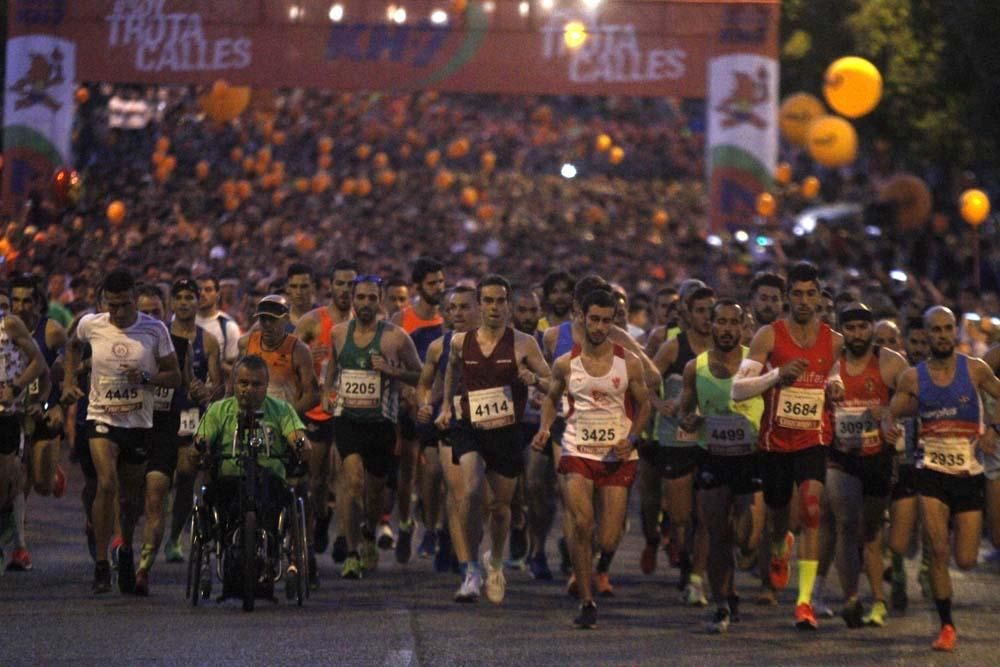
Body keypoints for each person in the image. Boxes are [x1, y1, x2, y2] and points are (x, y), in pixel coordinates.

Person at [732, 261, 845, 630]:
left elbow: (835, 378)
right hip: (775, 442)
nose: (803, 300)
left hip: (813, 438)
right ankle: (780, 546)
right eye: (796, 294)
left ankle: (804, 601)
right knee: (779, 517)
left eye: (810, 293)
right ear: (787, 297)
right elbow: (738, 389)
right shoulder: (769, 335)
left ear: (819, 297)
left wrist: (835, 386)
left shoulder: (834, 340)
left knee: (812, 507)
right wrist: (777, 375)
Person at [534, 288, 650, 628]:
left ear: (613, 321)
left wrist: (631, 439)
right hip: (576, 449)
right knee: (582, 523)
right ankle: (586, 599)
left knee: (609, 537)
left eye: (606, 320)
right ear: (581, 318)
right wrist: (544, 428)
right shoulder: (565, 363)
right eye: (594, 319)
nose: (599, 327)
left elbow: (644, 404)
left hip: (616, 454)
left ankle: (595, 567)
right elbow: (549, 398)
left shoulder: (628, 362)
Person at [62, 269, 181, 594]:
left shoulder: (154, 330)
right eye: (111, 305)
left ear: (134, 300)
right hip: (101, 417)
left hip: (139, 423)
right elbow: (71, 346)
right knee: (107, 483)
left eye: (124, 305)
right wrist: (70, 382)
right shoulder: (92, 324)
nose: (117, 312)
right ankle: (101, 563)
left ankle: (125, 547)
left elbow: (174, 376)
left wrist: (145, 378)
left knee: (130, 502)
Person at [890, 306, 1000, 651]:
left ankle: (950, 549)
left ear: (955, 332)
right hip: (931, 471)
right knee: (937, 549)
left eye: (947, 329)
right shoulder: (912, 377)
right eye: (934, 330)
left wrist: (994, 428)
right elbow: (892, 411)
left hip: (968, 472)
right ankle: (946, 625)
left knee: (965, 559)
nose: (941, 335)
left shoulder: (976, 370)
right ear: (926, 334)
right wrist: (886, 423)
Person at [436, 274, 551, 604]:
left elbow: (549, 380)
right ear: (479, 305)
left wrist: (535, 382)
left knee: (500, 508)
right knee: (470, 490)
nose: (494, 307)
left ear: (509, 305)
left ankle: (496, 563)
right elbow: (453, 371)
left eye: (500, 301)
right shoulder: (461, 341)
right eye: (488, 301)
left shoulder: (524, 343)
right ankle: (470, 570)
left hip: (506, 431)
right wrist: (446, 405)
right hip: (469, 426)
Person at [323, 275, 422, 579]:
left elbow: (419, 375)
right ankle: (352, 552)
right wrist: (328, 392)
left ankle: (369, 533)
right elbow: (332, 367)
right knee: (352, 484)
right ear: (352, 299)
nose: (365, 303)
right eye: (360, 297)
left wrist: (391, 370)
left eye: (371, 298)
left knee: (374, 495)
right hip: (348, 419)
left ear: (380, 299)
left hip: (381, 424)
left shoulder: (396, 337)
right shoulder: (340, 333)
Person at [678, 298, 763, 633]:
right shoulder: (694, 368)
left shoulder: (756, 366)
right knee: (717, 536)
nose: (727, 329)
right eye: (721, 322)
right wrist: (690, 420)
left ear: (743, 326)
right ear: (710, 325)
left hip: (750, 457)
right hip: (712, 455)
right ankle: (722, 603)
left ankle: (745, 562)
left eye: (734, 322)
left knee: (747, 538)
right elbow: (686, 416)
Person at [821, 303, 907, 628]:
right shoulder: (831, 364)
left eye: (863, 327)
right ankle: (851, 599)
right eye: (851, 328)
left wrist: (889, 412)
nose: (857, 334)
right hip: (840, 456)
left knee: (870, 530)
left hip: (879, 457)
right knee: (846, 524)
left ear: (872, 328)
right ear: (843, 331)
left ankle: (879, 601)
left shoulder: (889, 363)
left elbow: (914, 398)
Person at [193, 355, 311, 587]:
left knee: (284, 494)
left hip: (270, 482)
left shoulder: (281, 410)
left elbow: (297, 436)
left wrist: (300, 443)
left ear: (266, 386)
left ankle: (272, 552)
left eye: (256, 384)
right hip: (228, 481)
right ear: (234, 383)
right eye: (243, 383)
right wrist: (202, 446)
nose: (249, 390)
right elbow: (201, 439)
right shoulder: (219, 410)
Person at [647, 285, 715, 604]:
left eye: (710, 312)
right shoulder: (673, 348)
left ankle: (696, 578)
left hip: (711, 442)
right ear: (687, 313)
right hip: (674, 441)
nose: (707, 318)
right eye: (700, 311)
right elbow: (642, 381)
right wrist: (658, 405)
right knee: (681, 517)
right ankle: (685, 561)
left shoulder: (725, 349)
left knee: (705, 515)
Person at [294, 258, 357, 560]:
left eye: (351, 284)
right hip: (318, 409)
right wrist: (307, 354)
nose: (346, 290)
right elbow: (287, 358)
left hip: (350, 409)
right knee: (316, 480)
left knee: (344, 475)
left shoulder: (366, 321)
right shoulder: (312, 321)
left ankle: (344, 537)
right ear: (330, 287)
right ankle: (320, 520)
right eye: (341, 283)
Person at [416, 286, 480, 572]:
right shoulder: (438, 347)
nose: (458, 314)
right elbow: (425, 383)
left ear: (478, 309)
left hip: (487, 426)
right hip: (451, 423)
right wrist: (426, 404)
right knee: (458, 492)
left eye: (464, 307)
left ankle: (460, 543)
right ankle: (461, 554)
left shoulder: (498, 343)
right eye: (453, 308)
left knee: (478, 496)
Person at [162, 279, 223, 565]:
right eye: (179, 297)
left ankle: (174, 537)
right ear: (171, 303)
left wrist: (207, 391)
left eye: (190, 297)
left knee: (186, 476)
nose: (184, 302)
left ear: (198, 302)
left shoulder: (207, 340)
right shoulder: (160, 335)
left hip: (191, 417)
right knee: (158, 481)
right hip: (160, 415)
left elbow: (219, 385)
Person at [393, 257, 447, 562]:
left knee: (435, 469)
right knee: (409, 472)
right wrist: (406, 392)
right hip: (410, 403)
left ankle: (431, 527)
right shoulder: (402, 320)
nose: (438, 288)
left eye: (441, 282)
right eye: (432, 283)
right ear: (417, 286)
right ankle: (405, 523)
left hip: (441, 404)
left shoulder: (448, 319)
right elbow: (393, 361)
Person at [0, 292, 49, 572]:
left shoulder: (10, 325)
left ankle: (19, 544)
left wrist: (17, 388)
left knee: (10, 480)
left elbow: (39, 362)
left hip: (7, 411)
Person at [886, 317, 930, 612]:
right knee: (899, 520)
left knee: (932, 517)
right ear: (905, 343)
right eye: (913, 342)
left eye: (923, 342)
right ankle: (899, 573)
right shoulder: (896, 374)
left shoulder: (944, 373)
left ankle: (928, 565)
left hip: (932, 459)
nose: (919, 348)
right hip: (900, 458)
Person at [195, 275, 241, 378]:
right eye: (198, 289)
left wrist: (214, 362)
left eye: (208, 290)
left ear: (217, 295)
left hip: (214, 389)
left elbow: (235, 370)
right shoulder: (179, 320)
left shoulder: (229, 326)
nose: (202, 294)